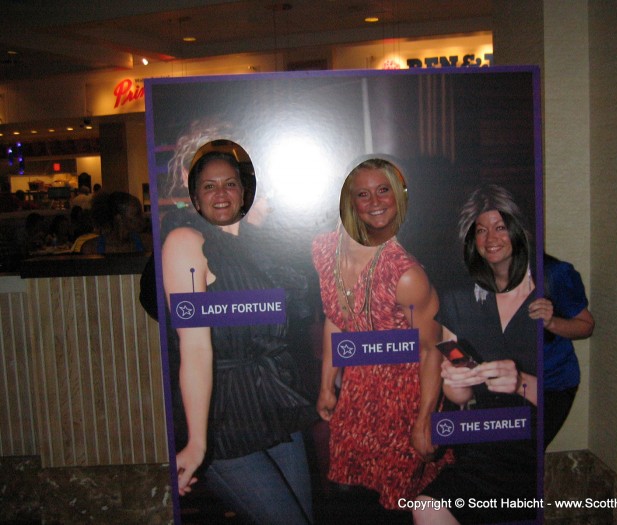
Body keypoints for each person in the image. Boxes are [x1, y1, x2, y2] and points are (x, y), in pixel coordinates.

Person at [161, 139, 315, 525]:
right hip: (221, 415)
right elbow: (194, 349)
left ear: (244, 189)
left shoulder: (259, 244)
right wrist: (196, 443)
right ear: (193, 194)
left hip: (274, 402)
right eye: (209, 185)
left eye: (229, 183)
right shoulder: (186, 243)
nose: (220, 193)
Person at [312, 158, 447, 515]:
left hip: (403, 398)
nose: (375, 201)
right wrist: (327, 383)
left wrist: (425, 420)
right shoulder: (326, 252)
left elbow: (431, 350)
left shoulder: (406, 275)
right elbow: (335, 317)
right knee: (350, 497)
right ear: (349, 201)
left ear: (398, 196)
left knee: (398, 504)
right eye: (363, 193)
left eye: (383, 190)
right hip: (356, 394)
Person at [413, 184, 538, 525]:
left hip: (542, 446)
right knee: (426, 506)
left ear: (520, 230)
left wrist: (520, 384)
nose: (491, 238)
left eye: (500, 226)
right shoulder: (457, 300)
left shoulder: (547, 298)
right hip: (485, 449)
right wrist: (457, 381)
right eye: (480, 230)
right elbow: (461, 393)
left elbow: (567, 396)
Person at [530, 253, 594, 447]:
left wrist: (550, 322)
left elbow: (586, 325)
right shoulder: (481, 273)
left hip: (551, 384)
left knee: (525, 458)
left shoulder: (552, 272)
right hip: (502, 387)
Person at [80, 191, 152, 254]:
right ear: (119, 218)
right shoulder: (91, 248)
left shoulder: (147, 242)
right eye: (137, 214)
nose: (143, 218)